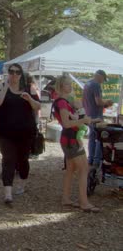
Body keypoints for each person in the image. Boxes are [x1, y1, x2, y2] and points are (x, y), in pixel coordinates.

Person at [0, 63, 41, 204]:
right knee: (8, 159)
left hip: (25, 132)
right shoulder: (1, 86)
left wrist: (29, 99)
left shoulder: (29, 88)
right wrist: (6, 87)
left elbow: (38, 106)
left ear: (21, 74)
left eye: (17, 72)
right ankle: (8, 193)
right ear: (8, 73)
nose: (14, 75)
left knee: (22, 160)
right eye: (11, 72)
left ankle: (22, 184)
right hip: (5, 132)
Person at [53, 75, 100, 212]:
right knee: (84, 169)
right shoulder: (62, 102)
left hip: (68, 139)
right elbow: (67, 124)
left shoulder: (64, 101)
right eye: (68, 84)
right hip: (71, 140)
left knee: (71, 169)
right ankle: (84, 202)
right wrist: (83, 121)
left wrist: (85, 120)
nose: (71, 86)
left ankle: (66, 198)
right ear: (62, 86)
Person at [83, 70, 113, 170]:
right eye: (103, 79)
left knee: (92, 137)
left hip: (89, 114)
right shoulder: (96, 85)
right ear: (100, 76)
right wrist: (107, 102)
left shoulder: (87, 84)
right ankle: (96, 160)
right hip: (96, 115)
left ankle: (90, 159)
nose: (103, 82)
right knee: (100, 138)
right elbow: (98, 102)